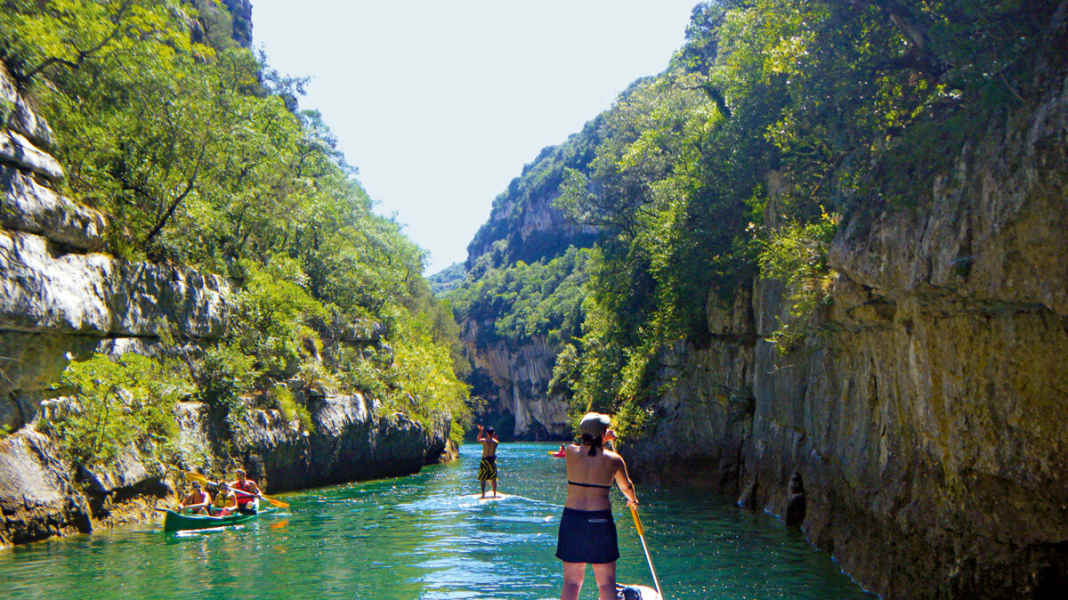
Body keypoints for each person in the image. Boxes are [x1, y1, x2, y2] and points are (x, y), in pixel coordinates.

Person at [556, 412, 639, 600]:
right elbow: (626, 486)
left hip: (572, 520)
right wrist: (632, 500)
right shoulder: (614, 460)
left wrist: (600, 438)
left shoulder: (570, 452)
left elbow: (587, 450)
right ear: (603, 433)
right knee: (606, 583)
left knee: (571, 582)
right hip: (599, 521)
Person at [476, 424, 499, 498]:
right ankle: (494, 494)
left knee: (483, 478)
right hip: (492, 461)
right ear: (493, 433)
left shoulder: (484, 441)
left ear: (487, 433)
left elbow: (478, 439)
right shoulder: (495, 442)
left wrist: (480, 431)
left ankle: (483, 495)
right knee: (493, 478)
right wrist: (494, 436)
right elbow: (495, 441)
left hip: (484, 460)